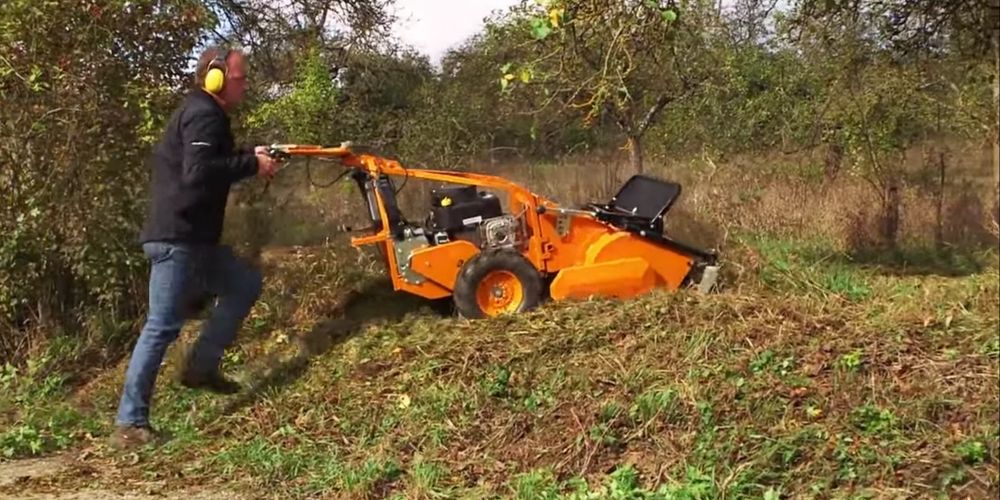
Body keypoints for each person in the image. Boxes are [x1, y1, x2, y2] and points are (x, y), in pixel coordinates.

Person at [110, 46, 279, 449]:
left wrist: (248, 156)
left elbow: (211, 162)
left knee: (243, 285)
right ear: (216, 78)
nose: (246, 85)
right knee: (162, 325)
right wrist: (251, 166)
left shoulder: (209, 115)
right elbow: (199, 172)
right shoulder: (203, 113)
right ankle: (129, 423)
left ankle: (201, 368)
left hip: (196, 241)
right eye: (241, 78)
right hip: (177, 240)